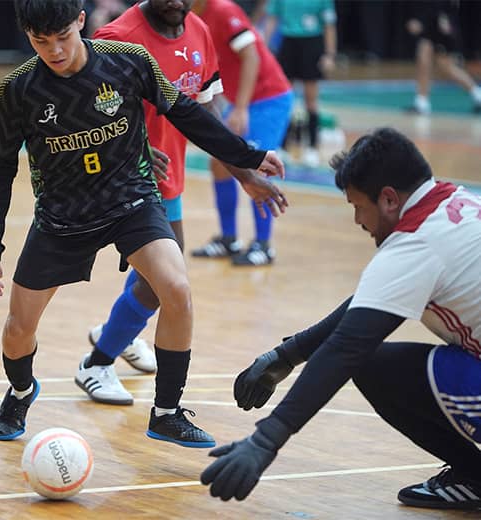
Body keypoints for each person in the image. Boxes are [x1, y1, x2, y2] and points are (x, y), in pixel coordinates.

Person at [0, 0, 287, 448]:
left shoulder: (128, 62)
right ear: (27, 36)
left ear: (81, 21)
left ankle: (166, 412)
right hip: (62, 217)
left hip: (131, 200)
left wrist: (247, 156)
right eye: (41, 43)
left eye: (63, 36)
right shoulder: (17, 89)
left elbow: (187, 112)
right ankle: (21, 391)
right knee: (18, 329)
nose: (56, 51)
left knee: (176, 288)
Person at [200, 127, 481, 510]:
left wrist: (265, 441)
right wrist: (289, 354)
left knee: (367, 363)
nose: (356, 220)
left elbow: (349, 346)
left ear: (388, 199)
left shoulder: (417, 243)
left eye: (356, 206)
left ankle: (474, 476)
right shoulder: (453, 202)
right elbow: (371, 305)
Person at [76, 0, 237, 405]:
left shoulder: (197, 30)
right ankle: (96, 362)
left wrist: (244, 169)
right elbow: (83, 111)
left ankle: (115, 332)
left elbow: (207, 108)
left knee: (161, 274)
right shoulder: (117, 39)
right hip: (122, 178)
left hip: (168, 177)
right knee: (163, 280)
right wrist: (136, 145)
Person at [190, 0, 293, 265]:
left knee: (259, 166)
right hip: (240, 102)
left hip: (268, 99)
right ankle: (229, 239)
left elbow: (251, 55)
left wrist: (241, 108)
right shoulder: (188, 17)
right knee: (220, 164)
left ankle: (263, 244)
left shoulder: (223, 10)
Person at [263, 0, 336, 168]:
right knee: (285, 97)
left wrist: (330, 55)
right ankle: (282, 146)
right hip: (289, 43)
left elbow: (329, 25)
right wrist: (264, 47)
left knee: (311, 100)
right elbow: (272, 18)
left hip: (312, 44)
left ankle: (312, 148)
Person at [404, 0, 481, 115]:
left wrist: (446, 17)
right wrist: (417, 19)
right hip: (430, 22)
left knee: (445, 67)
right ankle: (422, 102)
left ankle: (478, 95)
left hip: (442, 24)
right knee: (426, 61)